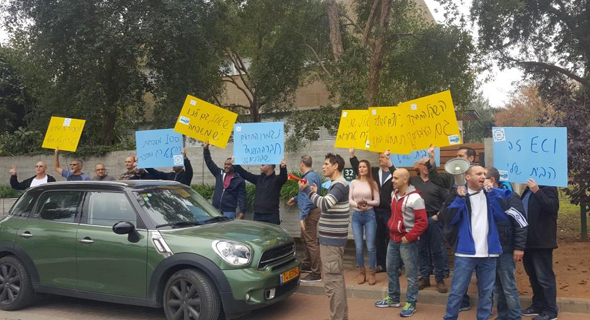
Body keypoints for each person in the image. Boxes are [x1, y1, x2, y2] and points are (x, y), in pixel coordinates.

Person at [439, 165, 510, 320]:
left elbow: (502, 217)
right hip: (465, 252)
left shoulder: (491, 195)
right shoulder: (458, 194)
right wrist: (459, 198)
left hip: (489, 252)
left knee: (486, 292)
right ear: (467, 177)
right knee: (457, 291)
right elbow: (448, 219)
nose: (483, 176)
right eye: (478, 173)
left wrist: (492, 196)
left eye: (484, 174)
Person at [299, 153, 350, 320]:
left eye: (326, 163)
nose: (323, 166)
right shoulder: (336, 185)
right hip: (332, 241)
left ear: (335, 166)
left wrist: (307, 190)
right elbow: (326, 202)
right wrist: (315, 193)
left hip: (332, 243)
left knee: (333, 284)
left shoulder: (340, 185)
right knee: (336, 282)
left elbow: (325, 204)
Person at [375, 168, 427, 318]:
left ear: (405, 180)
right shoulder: (394, 194)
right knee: (391, 269)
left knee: (410, 275)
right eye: (393, 178)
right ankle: (393, 298)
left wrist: (409, 237)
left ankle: (411, 303)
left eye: (396, 178)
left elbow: (422, 223)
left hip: (407, 241)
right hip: (394, 238)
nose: (393, 180)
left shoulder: (416, 198)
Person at [485, 167, 528, 320]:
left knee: (508, 287)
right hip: (490, 250)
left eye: (483, 176)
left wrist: (519, 247)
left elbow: (521, 223)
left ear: (492, 180)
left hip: (506, 249)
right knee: (496, 287)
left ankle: (515, 316)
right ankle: (502, 315)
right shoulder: (482, 196)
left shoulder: (510, 197)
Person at [350, 147, 395, 273]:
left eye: (383, 157)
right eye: (379, 157)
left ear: (388, 158)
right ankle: (381, 264)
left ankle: (394, 266)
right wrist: (352, 156)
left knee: (392, 239)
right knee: (378, 240)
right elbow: (359, 170)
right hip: (375, 211)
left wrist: (390, 162)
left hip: (389, 211)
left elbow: (397, 175)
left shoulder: (394, 173)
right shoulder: (374, 172)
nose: (380, 159)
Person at [520, 179, 559, 320]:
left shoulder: (548, 187)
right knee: (534, 276)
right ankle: (538, 305)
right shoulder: (527, 189)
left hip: (541, 242)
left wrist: (537, 191)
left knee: (545, 277)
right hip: (528, 242)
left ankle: (550, 311)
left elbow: (553, 207)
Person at [411, 159, 449, 293]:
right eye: (424, 164)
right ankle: (425, 277)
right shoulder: (413, 181)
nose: (427, 167)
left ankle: (439, 279)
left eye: (429, 164)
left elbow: (448, 200)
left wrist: (439, 215)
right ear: (418, 167)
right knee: (421, 250)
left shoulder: (436, 182)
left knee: (437, 250)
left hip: (434, 219)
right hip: (418, 220)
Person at [287, 155, 323, 282]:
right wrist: (296, 199)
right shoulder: (312, 176)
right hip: (309, 211)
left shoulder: (309, 177)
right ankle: (309, 264)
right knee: (305, 238)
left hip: (310, 213)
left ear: (302, 164)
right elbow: (306, 194)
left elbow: (309, 198)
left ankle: (316, 273)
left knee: (311, 242)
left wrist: (302, 217)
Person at [348, 160, 380, 285]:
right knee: (359, 246)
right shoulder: (353, 182)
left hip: (369, 215)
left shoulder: (373, 183)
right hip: (356, 215)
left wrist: (367, 203)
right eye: (360, 167)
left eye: (364, 167)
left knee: (371, 246)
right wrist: (357, 204)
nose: (361, 169)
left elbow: (377, 201)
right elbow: (349, 199)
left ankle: (372, 272)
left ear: (368, 169)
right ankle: (361, 271)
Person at [233, 158, 288, 225]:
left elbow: (283, 177)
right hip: (258, 215)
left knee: (271, 234)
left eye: (263, 165)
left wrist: (283, 167)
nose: (260, 167)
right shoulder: (258, 179)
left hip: (271, 215)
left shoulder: (277, 180)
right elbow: (245, 174)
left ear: (269, 166)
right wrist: (236, 164)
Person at [203, 142, 246, 219]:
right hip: (215, 211)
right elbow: (209, 162)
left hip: (229, 212)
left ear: (234, 166)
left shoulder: (239, 180)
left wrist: (242, 211)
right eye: (225, 164)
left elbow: (241, 197)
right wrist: (206, 149)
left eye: (228, 164)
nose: (226, 166)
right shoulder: (219, 173)